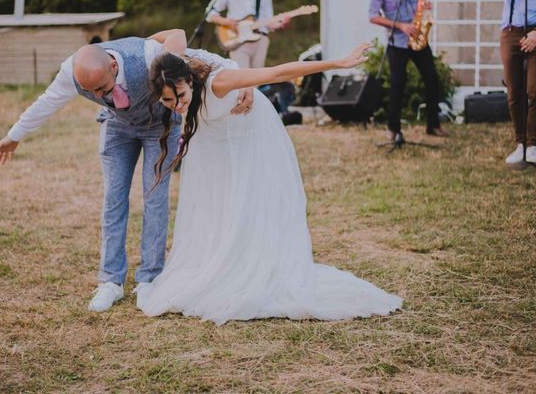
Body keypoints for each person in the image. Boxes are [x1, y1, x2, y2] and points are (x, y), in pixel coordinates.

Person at [136, 30, 403, 325]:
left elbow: (277, 72)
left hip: (246, 127)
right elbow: (172, 35)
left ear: (189, 81)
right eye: (167, 101)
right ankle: (220, 258)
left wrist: (338, 63)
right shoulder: (166, 63)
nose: (177, 106)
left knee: (248, 197)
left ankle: (252, 261)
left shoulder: (218, 83)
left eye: (181, 96)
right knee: (215, 200)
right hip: (213, 133)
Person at [0, 31, 252, 312]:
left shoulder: (148, 54)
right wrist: (14, 135)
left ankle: (150, 279)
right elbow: (48, 101)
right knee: (113, 199)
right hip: (117, 127)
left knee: (155, 197)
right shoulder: (72, 71)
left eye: (102, 88)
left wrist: (242, 80)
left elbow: (198, 55)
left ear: (113, 67)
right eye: (89, 91)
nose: (97, 95)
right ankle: (110, 282)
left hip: (159, 127)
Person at [369, 0, 448, 140]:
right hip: (398, 43)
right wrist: (400, 26)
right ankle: (393, 128)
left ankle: (433, 124)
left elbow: (418, 4)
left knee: (432, 79)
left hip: (419, 40)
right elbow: (373, 17)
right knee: (397, 84)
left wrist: (424, 6)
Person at [492, 0, 536, 168]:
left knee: (534, 90)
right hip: (510, 31)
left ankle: (532, 144)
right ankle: (520, 143)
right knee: (513, 91)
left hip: (535, 32)